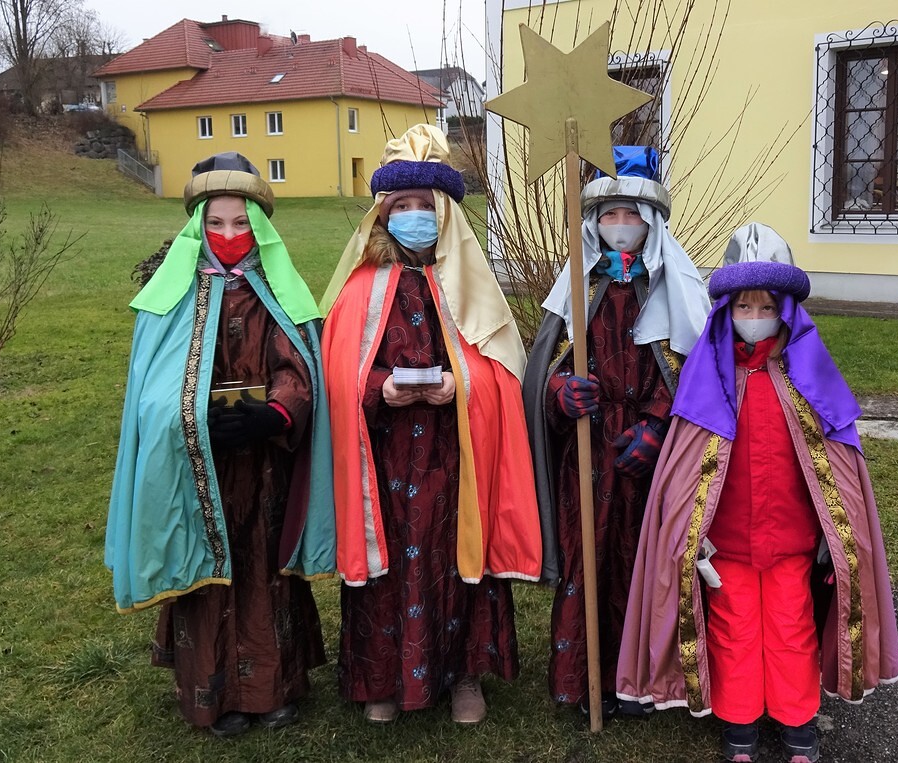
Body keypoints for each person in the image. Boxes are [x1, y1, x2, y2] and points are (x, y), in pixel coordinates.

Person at [615, 223, 898, 762]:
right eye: (743, 306)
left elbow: (837, 467)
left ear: (786, 311)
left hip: (792, 540)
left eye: (765, 306)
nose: (754, 316)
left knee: (792, 628)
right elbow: (684, 470)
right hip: (727, 545)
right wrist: (692, 533)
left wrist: (831, 531)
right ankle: (740, 720)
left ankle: (797, 719)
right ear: (726, 312)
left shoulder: (810, 382)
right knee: (734, 629)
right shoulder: (709, 381)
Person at [106, 152, 336, 737]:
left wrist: (276, 412)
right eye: (215, 223)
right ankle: (214, 694)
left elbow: (298, 367)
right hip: (195, 466)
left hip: (263, 464)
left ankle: (273, 688)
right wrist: (189, 415)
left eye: (240, 223)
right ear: (198, 226)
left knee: (262, 567)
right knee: (206, 569)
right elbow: (151, 389)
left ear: (258, 227)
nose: (228, 235)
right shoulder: (171, 297)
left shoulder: (279, 292)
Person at [320, 124, 543, 725]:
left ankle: (463, 674)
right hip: (385, 455)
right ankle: (381, 679)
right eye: (401, 206)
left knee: (456, 554)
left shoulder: (470, 285)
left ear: (444, 213)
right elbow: (338, 374)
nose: (413, 216)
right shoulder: (360, 288)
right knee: (387, 558)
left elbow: (501, 372)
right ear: (382, 214)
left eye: (424, 205)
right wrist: (379, 389)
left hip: (454, 451)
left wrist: (460, 384)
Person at [522, 146, 711, 718]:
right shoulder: (577, 289)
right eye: (610, 215)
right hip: (587, 449)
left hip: (649, 456)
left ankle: (639, 682)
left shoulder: (673, 287)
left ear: (651, 222)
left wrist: (657, 423)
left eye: (632, 215)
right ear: (594, 224)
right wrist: (560, 393)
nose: (621, 225)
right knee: (588, 559)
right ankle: (584, 680)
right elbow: (546, 367)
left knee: (644, 559)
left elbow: (691, 369)